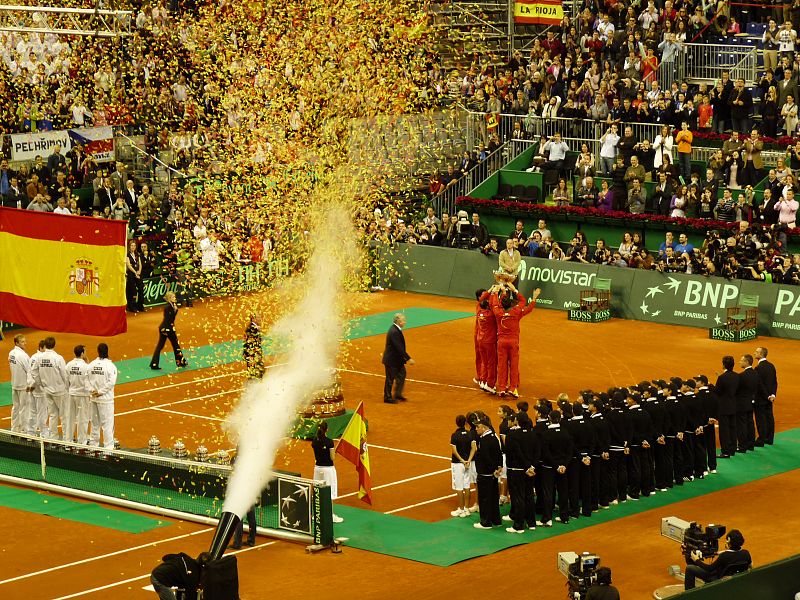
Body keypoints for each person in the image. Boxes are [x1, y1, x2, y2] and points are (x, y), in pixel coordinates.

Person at [489, 283, 541, 398]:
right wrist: (516, 290)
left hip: (501, 343)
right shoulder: (516, 312)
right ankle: (513, 388)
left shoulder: (498, 313)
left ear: (502, 305)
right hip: (513, 343)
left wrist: (496, 292)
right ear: (511, 305)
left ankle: (502, 388)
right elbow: (525, 304)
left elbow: (493, 304)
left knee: (502, 366)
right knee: (513, 365)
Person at [28, 336, 68, 441]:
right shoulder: (58, 358)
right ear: (54, 345)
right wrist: (66, 387)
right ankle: (66, 439)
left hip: (46, 390)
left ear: (45, 345)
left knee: (52, 415)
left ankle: (53, 438)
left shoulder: (39, 357)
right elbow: (64, 375)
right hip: (59, 391)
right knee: (64, 415)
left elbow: (34, 371)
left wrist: (40, 383)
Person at [684, 529, 751, 590]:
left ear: (728, 541)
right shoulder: (746, 553)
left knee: (690, 568)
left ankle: (688, 595)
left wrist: (696, 560)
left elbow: (709, 569)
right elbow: (749, 565)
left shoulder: (724, 556)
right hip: (736, 581)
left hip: (718, 580)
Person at [472, 417, 503, 529]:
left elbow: (486, 457)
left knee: (484, 498)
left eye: (478, 427)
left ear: (484, 428)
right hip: (493, 475)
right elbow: (499, 453)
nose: (476, 429)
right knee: (494, 498)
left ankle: (486, 522)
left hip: (486, 474)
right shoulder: (494, 437)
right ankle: (496, 520)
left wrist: (493, 468)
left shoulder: (484, 440)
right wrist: (499, 467)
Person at [87, 343, 118, 450]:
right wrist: (100, 392)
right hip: (106, 401)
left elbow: (86, 380)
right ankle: (108, 449)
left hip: (94, 399)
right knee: (107, 425)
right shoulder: (110, 366)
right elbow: (111, 383)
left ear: (98, 351)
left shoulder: (91, 365)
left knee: (94, 424)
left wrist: (92, 391)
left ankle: (93, 447)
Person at [312, 422, 343, 523]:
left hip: (317, 469)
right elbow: (332, 457)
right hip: (328, 471)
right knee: (329, 493)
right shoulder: (330, 442)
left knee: (318, 492)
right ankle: (330, 516)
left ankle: (316, 515)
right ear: (327, 430)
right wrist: (334, 452)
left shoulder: (314, 441)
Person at [150, 291, 188, 370]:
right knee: (175, 345)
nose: (175, 298)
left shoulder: (173, 305)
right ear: (170, 298)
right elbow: (168, 319)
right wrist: (166, 330)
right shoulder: (168, 307)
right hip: (167, 329)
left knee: (161, 346)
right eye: (173, 297)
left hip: (167, 328)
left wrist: (176, 310)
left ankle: (154, 364)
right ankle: (181, 362)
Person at [382, 313, 413, 403]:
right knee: (390, 379)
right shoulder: (394, 332)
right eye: (403, 320)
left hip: (397, 360)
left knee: (402, 374)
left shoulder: (396, 329)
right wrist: (408, 358)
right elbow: (399, 347)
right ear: (398, 321)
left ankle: (398, 394)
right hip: (392, 361)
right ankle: (387, 397)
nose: (405, 322)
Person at [450, 414, 476, 518]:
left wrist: (462, 461)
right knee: (466, 486)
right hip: (468, 464)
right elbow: (473, 448)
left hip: (458, 464)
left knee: (459, 487)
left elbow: (454, 451)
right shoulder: (471, 434)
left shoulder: (454, 435)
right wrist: (468, 461)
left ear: (457, 423)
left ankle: (460, 510)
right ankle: (466, 509)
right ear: (465, 423)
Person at [714, 355, 740, 458]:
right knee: (733, 428)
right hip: (734, 406)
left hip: (724, 407)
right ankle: (733, 448)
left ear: (724, 365)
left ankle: (725, 451)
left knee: (724, 430)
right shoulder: (737, 376)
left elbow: (718, 392)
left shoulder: (721, 377)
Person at [64, 345, 90, 446]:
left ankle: (68, 441)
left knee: (70, 417)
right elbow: (89, 381)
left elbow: (66, 380)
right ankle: (81, 442)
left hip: (71, 394)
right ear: (82, 353)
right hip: (82, 395)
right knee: (82, 419)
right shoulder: (86, 366)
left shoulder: (69, 365)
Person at [474, 289, 497, 393]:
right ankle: (490, 384)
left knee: (484, 362)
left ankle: (482, 381)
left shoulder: (479, 311)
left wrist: (490, 291)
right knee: (491, 363)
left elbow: (481, 301)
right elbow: (495, 305)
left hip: (480, 340)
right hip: (489, 341)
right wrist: (494, 293)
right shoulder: (491, 315)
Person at [8, 334, 32, 435]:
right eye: (22, 341)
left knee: (15, 407)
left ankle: (14, 429)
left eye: (24, 341)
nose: (25, 343)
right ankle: (24, 430)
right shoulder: (23, 355)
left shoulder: (11, 353)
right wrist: (30, 385)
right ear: (17, 343)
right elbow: (29, 371)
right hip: (23, 386)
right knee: (24, 408)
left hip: (14, 384)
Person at [753, 346, 777, 446]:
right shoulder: (771, 366)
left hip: (761, 398)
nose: (754, 353)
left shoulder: (758, 368)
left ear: (761, 354)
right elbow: (775, 382)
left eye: (756, 352)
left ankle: (761, 440)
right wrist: (772, 395)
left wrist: (767, 395)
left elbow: (759, 385)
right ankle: (769, 439)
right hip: (770, 398)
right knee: (769, 417)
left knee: (760, 419)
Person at [736, 355, 757, 453]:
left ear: (747, 362)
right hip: (751, 402)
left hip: (741, 404)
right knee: (750, 423)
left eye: (741, 360)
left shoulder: (742, 376)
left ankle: (742, 446)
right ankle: (750, 445)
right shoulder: (755, 374)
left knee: (742, 425)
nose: (739, 362)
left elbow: (736, 390)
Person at [243, 313, 264, 380]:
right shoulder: (251, 328)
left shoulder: (254, 327)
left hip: (253, 353)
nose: (260, 319)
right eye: (258, 318)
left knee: (257, 370)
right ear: (253, 319)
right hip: (252, 354)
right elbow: (251, 342)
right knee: (255, 370)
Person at [125, 240, 145, 313]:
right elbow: (128, 265)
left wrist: (139, 271)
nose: (133, 247)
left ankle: (140, 306)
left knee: (141, 289)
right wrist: (135, 272)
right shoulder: (127, 255)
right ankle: (132, 307)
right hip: (131, 274)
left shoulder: (137, 254)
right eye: (131, 246)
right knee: (133, 291)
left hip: (138, 274)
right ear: (129, 247)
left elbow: (140, 264)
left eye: (134, 245)